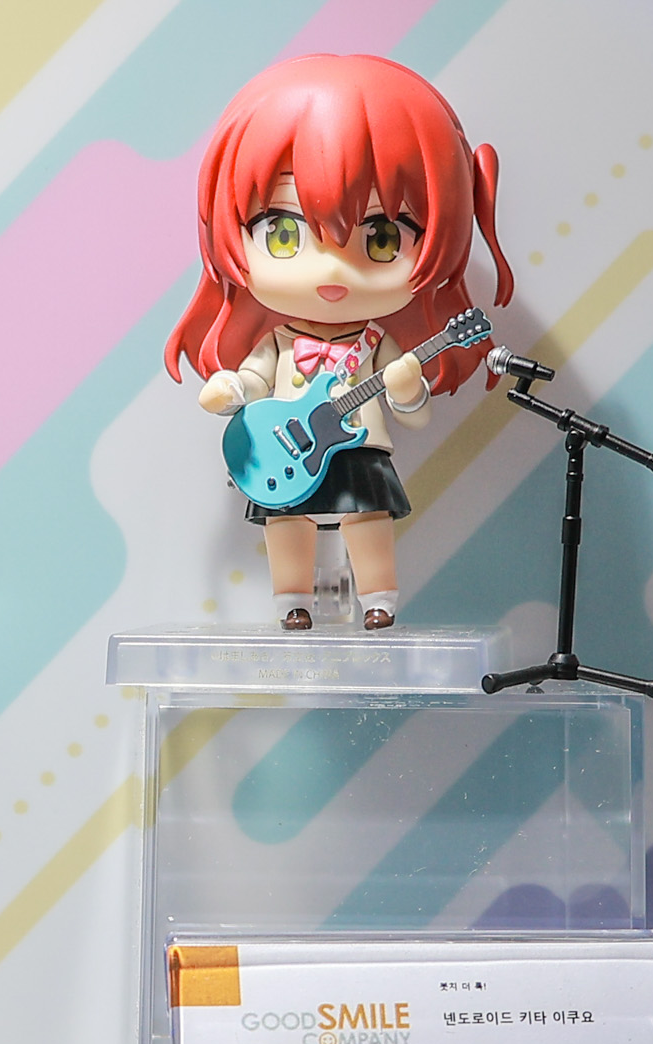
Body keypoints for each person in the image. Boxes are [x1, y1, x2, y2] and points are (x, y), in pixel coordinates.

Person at [168, 54, 513, 631]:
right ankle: (291, 601)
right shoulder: (279, 338)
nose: (331, 271)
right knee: (286, 522)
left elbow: (415, 415)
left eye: (382, 238)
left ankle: (378, 598)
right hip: (282, 449)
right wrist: (232, 388)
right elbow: (254, 378)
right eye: (283, 232)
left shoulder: (377, 340)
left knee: (368, 517)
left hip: (357, 447)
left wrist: (406, 389)